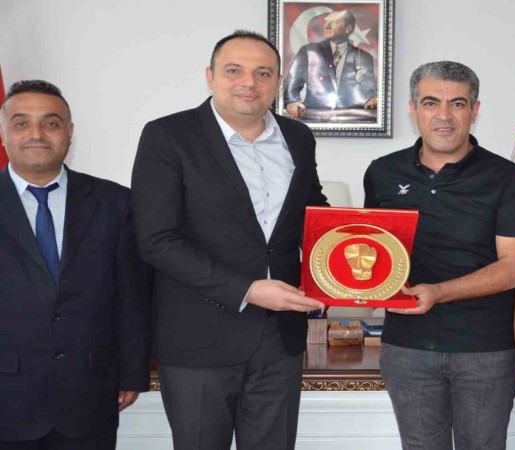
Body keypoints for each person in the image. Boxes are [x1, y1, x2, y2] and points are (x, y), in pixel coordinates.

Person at [130, 30, 328, 450]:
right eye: (234, 71)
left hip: (280, 339)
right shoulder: (168, 136)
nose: (249, 83)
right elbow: (156, 239)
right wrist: (248, 290)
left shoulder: (298, 137)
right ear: (210, 76)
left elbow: (313, 216)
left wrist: (356, 259)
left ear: (278, 82)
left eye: (263, 73)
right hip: (198, 339)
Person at [363, 61, 515, 450]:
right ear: (413, 109)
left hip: (485, 351)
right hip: (406, 348)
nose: (443, 116)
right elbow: (371, 250)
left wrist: (439, 292)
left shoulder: (508, 178)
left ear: (474, 111)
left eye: (457, 104)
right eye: (431, 103)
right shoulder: (382, 172)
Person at [0, 80, 150, 449]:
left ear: (69, 132)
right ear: (3, 134)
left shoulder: (115, 202)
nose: (37, 134)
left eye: (51, 123)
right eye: (21, 123)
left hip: (90, 392)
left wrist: (131, 372)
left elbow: (131, 294)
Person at [283, 9, 377, 119]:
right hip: (314, 118)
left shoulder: (365, 57)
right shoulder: (308, 52)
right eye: (326, 22)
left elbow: (370, 93)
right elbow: (291, 87)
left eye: (334, 22)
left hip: (354, 120)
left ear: (348, 28)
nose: (327, 26)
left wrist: (374, 99)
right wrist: (292, 102)